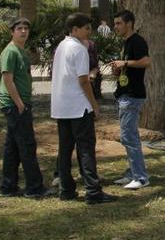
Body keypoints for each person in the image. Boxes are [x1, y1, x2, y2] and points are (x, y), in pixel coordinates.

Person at [51, 13, 117, 205]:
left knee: (65, 149)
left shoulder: (61, 46)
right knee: (86, 149)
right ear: (74, 29)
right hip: (78, 107)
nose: (90, 31)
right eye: (86, 28)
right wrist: (94, 105)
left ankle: (66, 190)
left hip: (62, 107)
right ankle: (93, 191)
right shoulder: (79, 49)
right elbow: (83, 80)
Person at [0, 17, 50, 199]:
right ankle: (34, 188)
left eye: (26, 28)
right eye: (19, 28)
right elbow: (7, 79)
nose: (23, 31)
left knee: (12, 147)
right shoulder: (10, 52)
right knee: (27, 145)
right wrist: (20, 103)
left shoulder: (22, 51)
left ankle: (8, 186)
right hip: (15, 105)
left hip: (19, 103)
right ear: (12, 31)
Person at [108, 10, 151, 190]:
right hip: (124, 94)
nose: (116, 27)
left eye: (119, 23)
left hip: (132, 96)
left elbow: (146, 61)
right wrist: (118, 69)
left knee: (129, 137)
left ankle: (141, 178)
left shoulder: (137, 41)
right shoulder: (126, 43)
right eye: (115, 23)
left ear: (129, 23)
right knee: (127, 137)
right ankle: (132, 173)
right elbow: (129, 66)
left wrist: (124, 63)